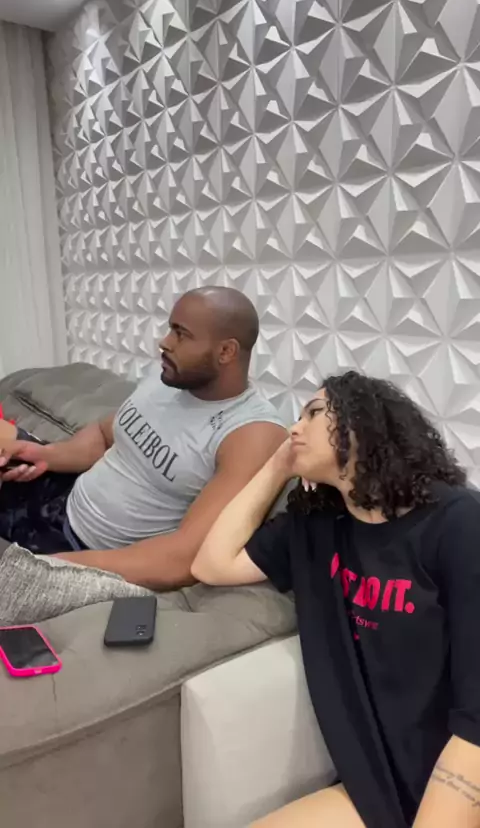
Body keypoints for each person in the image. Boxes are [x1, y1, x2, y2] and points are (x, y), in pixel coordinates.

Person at [192, 371, 480, 828]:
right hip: (379, 784)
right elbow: (211, 564)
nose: (294, 428)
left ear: (364, 422)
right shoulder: (317, 525)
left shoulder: (456, 523)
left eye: (313, 413)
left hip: (461, 766)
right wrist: (278, 465)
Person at [0, 287, 287, 590]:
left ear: (226, 351)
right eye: (170, 329)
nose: (165, 342)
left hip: (87, 553)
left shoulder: (252, 433)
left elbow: (181, 559)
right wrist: (47, 455)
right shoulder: (168, 381)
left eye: (181, 334)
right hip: (62, 496)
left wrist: (47, 568)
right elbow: (103, 435)